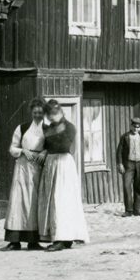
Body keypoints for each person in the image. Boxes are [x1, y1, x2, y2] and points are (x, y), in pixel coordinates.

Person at [37, 99, 90, 251]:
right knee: (52, 200)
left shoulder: (69, 127)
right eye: (49, 114)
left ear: (61, 112)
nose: (52, 117)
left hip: (63, 164)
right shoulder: (48, 128)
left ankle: (62, 238)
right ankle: (60, 237)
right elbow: (47, 144)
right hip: (51, 163)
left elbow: (65, 145)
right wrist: (46, 150)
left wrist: (48, 147)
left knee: (61, 200)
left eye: (54, 113)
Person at [3, 99, 47, 250]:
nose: (37, 115)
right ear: (31, 112)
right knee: (19, 201)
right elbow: (12, 148)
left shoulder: (47, 129)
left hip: (38, 168)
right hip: (22, 167)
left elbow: (54, 145)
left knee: (34, 202)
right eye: (35, 112)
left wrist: (45, 151)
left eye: (40, 112)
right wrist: (23, 150)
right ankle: (14, 240)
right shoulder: (22, 128)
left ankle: (33, 241)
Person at [116, 116, 140, 216]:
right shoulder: (125, 137)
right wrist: (120, 164)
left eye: (138, 127)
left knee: (139, 186)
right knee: (127, 186)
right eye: (134, 127)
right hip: (129, 164)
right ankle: (128, 210)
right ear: (131, 126)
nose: (136, 129)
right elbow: (119, 151)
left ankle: (136, 209)